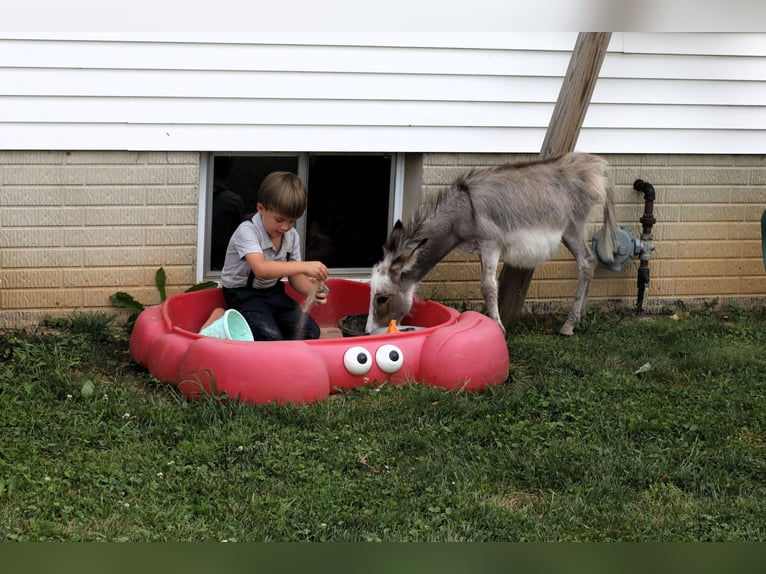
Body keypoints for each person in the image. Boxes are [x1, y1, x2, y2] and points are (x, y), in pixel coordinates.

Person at [218, 171, 329, 341]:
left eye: (292, 221)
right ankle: (223, 316)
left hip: (273, 293)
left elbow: (295, 277)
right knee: (269, 336)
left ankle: (268, 326)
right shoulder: (247, 231)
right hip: (243, 295)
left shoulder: (291, 236)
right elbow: (261, 268)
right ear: (261, 209)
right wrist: (306, 265)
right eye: (279, 220)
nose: (285, 227)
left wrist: (312, 291)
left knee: (310, 332)